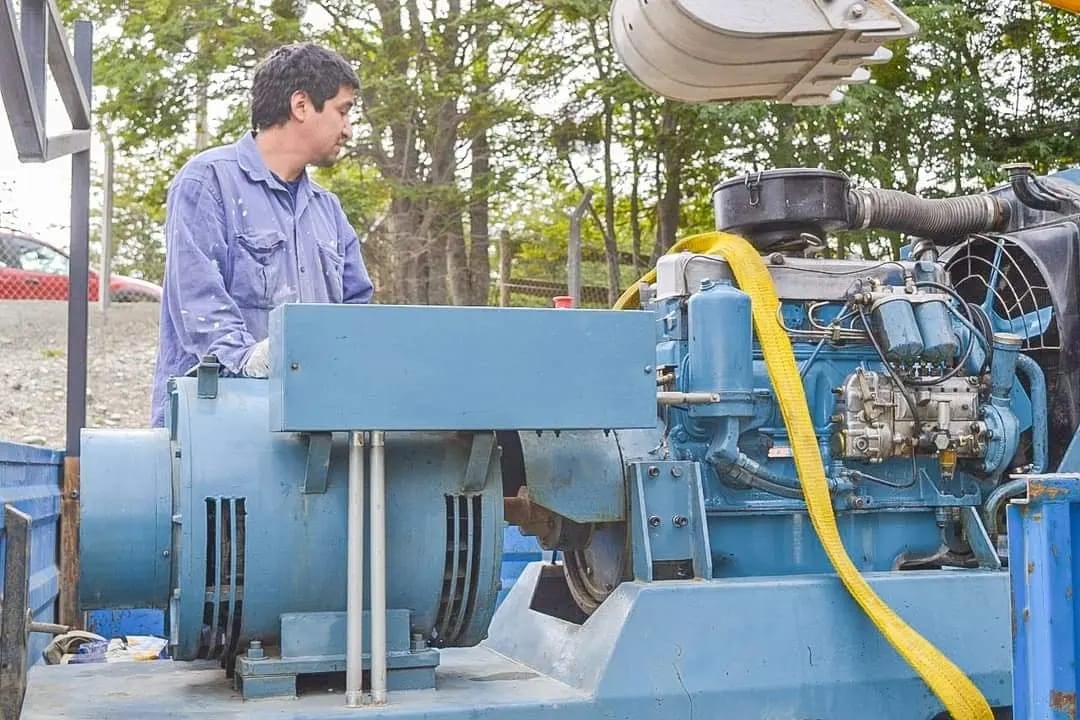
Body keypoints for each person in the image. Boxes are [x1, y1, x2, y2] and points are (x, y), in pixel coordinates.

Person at [150, 43, 373, 427]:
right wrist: (254, 361)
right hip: (212, 426)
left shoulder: (328, 211)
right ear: (301, 105)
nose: (349, 130)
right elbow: (198, 304)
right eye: (343, 111)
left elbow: (356, 316)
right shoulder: (208, 183)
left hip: (310, 432)